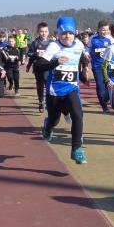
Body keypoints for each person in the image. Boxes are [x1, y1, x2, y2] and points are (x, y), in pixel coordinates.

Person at [35, 16, 88, 164]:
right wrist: (55, 62)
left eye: (70, 33)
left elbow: (79, 61)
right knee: (54, 120)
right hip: (54, 91)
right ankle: (47, 127)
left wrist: (83, 75)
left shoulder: (79, 45)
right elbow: (38, 66)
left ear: (75, 33)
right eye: (63, 33)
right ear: (58, 33)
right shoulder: (54, 47)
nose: (67, 36)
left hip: (71, 88)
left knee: (78, 115)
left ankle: (76, 149)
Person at [26, 22, 52, 112]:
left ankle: (48, 101)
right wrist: (36, 54)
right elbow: (29, 53)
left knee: (48, 83)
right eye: (42, 31)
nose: (44, 33)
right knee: (40, 85)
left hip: (49, 67)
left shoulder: (51, 43)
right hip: (38, 67)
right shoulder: (35, 42)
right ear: (38, 32)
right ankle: (41, 101)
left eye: (45, 31)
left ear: (48, 32)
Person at [89, 21, 113, 113]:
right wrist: (86, 53)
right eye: (103, 30)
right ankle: (104, 106)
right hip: (97, 67)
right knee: (100, 86)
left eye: (107, 30)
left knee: (108, 85)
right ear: (98, 30)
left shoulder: (110, 39)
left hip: (107, 66)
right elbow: (86, 48)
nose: (105, 32)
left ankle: (106, 99)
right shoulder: (92, 38)